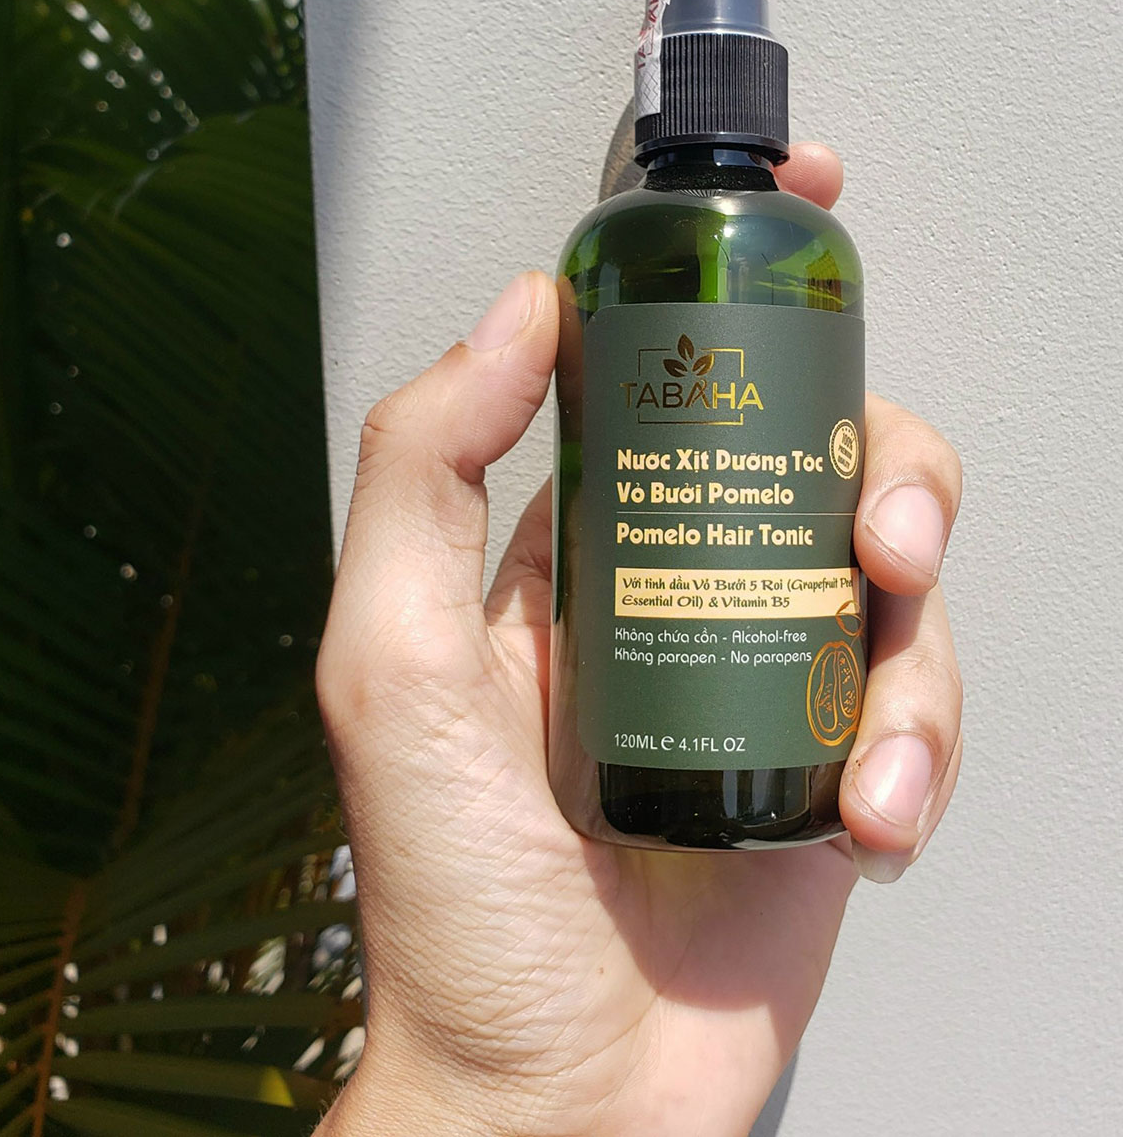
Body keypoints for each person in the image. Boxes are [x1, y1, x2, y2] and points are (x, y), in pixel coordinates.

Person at [313, 145, 965, 1136]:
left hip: (747, 879)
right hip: (552, 966)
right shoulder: (613, 247)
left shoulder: (805, 246)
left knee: (862, 517)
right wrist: (468, 1093)